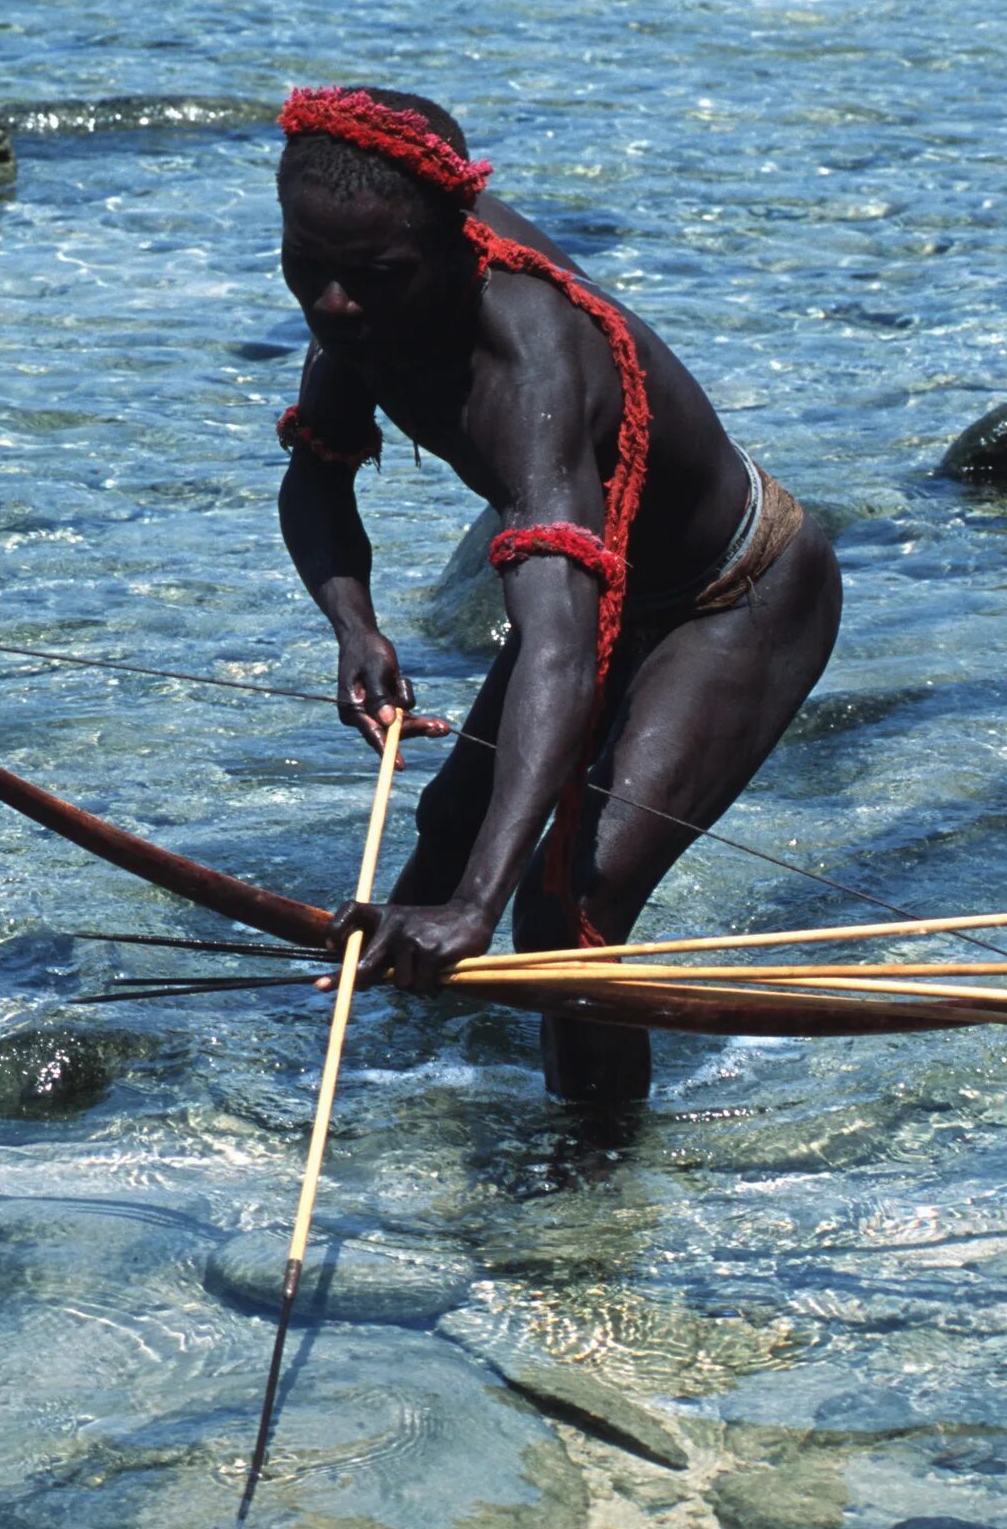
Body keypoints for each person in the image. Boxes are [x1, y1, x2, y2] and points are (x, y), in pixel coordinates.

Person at [272, 86, 842, 1108]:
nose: (332, 306)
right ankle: (376, 1081)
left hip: (734, 598)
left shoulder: (530, 361)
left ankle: (590, 1198)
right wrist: (354, 625)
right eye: (306, 266)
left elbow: (558, 651)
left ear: (451, 243)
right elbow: (317, 475)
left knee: (564, 913)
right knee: (449, 825)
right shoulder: (370, 285)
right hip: (612, 585)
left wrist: (480, 910)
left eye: (369, 278)